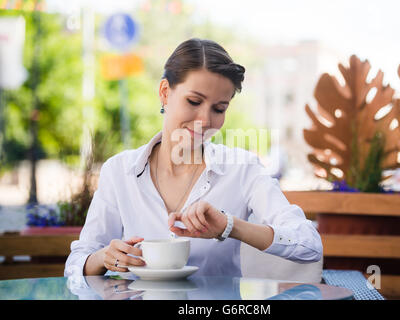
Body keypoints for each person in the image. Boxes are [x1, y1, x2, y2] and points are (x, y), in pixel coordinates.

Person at [64, 38, 322, 278]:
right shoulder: (119, 171)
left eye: (219, 108)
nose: (206, 120)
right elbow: (77, 262)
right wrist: (103, 258)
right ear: (165, 92)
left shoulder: (242, 170)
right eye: (194, 101)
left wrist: (229, 226)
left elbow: (309, 245)